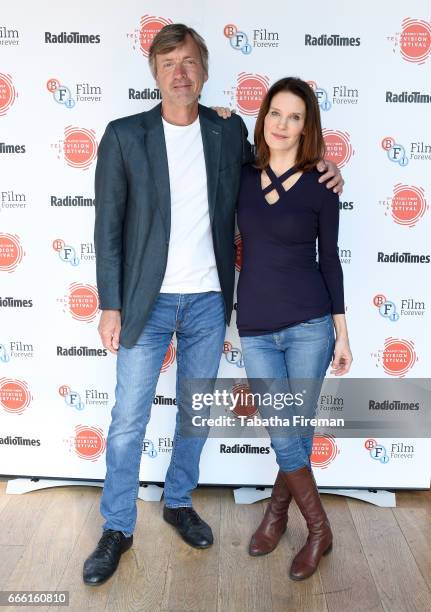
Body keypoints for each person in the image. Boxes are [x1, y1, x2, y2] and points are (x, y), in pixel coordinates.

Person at [83, 24, 344, 586]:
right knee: (127, 421)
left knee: (194, 417)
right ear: (155, 74)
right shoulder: (125, 136)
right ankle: (117, 527)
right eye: (168, 63)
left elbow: (281, 165)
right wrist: (110, 303)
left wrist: (328, 168)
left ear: (204, 70)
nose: (180, 72)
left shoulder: (227, 134)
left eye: (190, 62)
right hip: (144, 304)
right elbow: (107, 228)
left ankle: (178, 500)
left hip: (208, 301)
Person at [236, 77, 353, 580]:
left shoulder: (323, 185)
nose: (283, 125)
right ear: (263, 118)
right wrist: (218, 111)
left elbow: (331, 262)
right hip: (257, 325)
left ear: (308, 127)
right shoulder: (240, 173)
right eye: (275, 114)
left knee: (293, 432)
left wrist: (342, 333)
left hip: (310, 326)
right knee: (285, 431)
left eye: (295, 117)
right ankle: (317, 528)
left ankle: (279, 514)